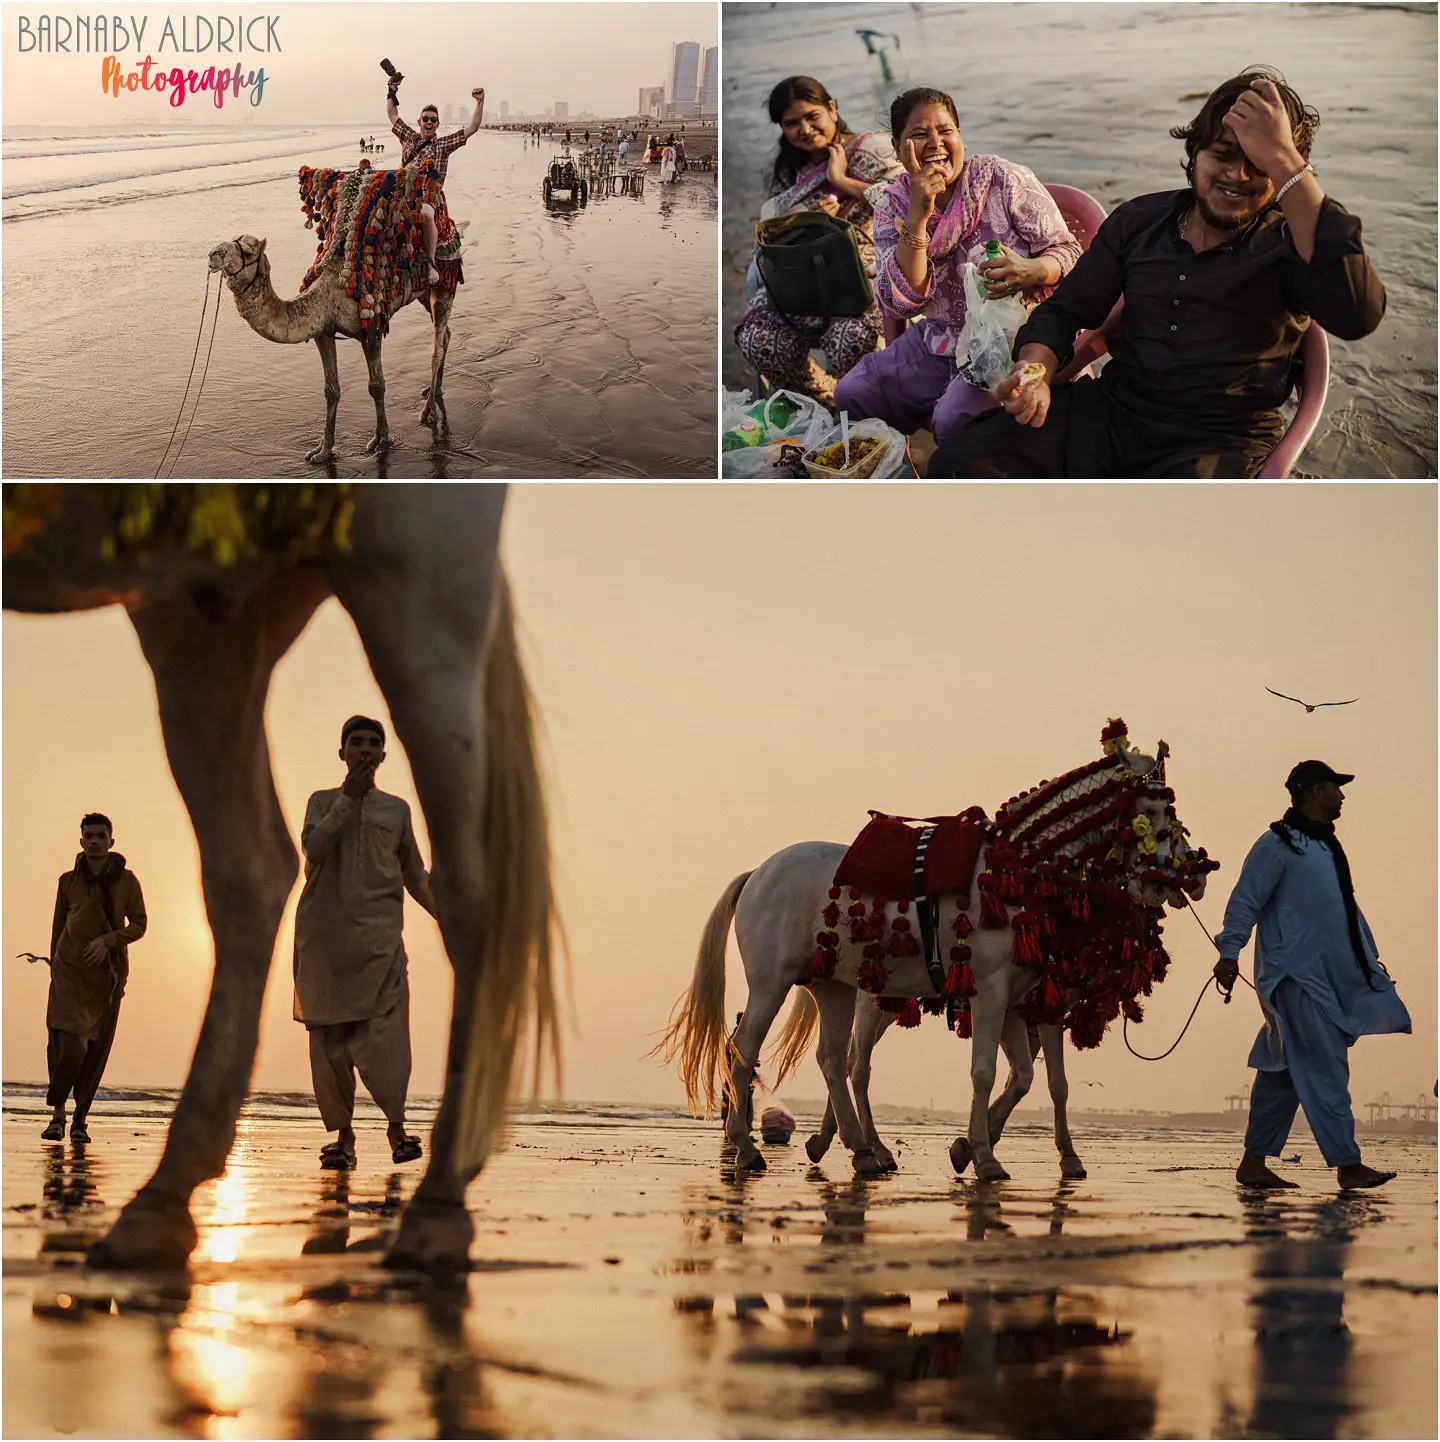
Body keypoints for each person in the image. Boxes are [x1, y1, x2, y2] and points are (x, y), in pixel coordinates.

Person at [929, 68, 1386, 478]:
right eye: (1223, 153)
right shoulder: (1139, 222)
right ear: (1195, 151)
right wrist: (1035, 370)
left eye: (1261, 163)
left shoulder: (1292, 242)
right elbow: (1066, 310)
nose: (1237, 175)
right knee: (957, 465)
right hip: (1112, 414)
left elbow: (1357, 315)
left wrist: (1286, 158)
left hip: (1217, 442)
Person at [834, 86, 1082, 444]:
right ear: (899, 149)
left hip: (1014, 341)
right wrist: (918, 216)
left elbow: (1069, 252)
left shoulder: (1001, 179)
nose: (935, 143)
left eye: (945, 131)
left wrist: (1031, 270)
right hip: (939, 341)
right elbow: (900, 303)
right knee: (852, 393)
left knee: (954, 420)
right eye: (919, 135)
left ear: (960, 137)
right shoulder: (893, 205)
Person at [1213, 761, 1410, 1190]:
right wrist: (1230, 953)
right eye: (1334, 789)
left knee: (1281, 1075)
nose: (1342, 796)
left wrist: (1369, 960)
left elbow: (1344, 911)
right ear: (1314, 793)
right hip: (1295, 978)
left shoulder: (1324, 849)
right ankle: (1348, 1166)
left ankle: (1253, 1164)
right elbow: (1245, 900)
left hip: (1326, 979)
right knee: (1326, 1070)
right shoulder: (1275, 846)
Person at [294, 716, 437, 1170]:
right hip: (324, 944)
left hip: (379, 944)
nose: (364, 749)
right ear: (342, 752)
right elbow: (315, 850)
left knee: (388, 1037)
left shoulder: (396, 811)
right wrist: (347, 802)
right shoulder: (321, 801)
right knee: (331, 1045)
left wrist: (453, 921)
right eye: (355, 742)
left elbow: (415, 875)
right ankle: (344, 1139)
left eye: (373, 743)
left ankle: (397, 1129)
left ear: (382, 756)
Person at [734, 76, 903, 406]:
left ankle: (861, 409)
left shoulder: (875, 149)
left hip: (861, 268)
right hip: (798, 275)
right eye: (792, 124)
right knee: (758, 338)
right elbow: (771, 229)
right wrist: (805, 217)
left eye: (812, 117)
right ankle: (820, 402)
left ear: (832, 109)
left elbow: (908, 204)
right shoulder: (788, 171)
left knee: (850, 339)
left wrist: (840, 180)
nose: (805, 130)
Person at [42, 814, 147, 1143]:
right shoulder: (67, 882)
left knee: (94, 1050)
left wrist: (108, 941)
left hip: (106, 978)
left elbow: (139, 925)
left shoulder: (127, 881)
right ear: (81, 841)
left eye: (101, 836)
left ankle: (79, 1121)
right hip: (68, 973)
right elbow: (58, 928)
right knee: (65, 1044)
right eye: (88, 835)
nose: (94, 841)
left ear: (111, 842)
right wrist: (55, 967)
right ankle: (57, 1115)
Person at [387, 77, 485, 287]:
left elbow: (472, 127)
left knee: (426, 214)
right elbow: (392, 114)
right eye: (425, 119)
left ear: (437, 124)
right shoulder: (409, 138)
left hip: (428, 196)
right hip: (403, 193)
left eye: (433, 119)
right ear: (419, 121)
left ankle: (430, 264)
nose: (429, 122)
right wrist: (391, 90)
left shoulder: (443, 145)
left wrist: (479, 102)